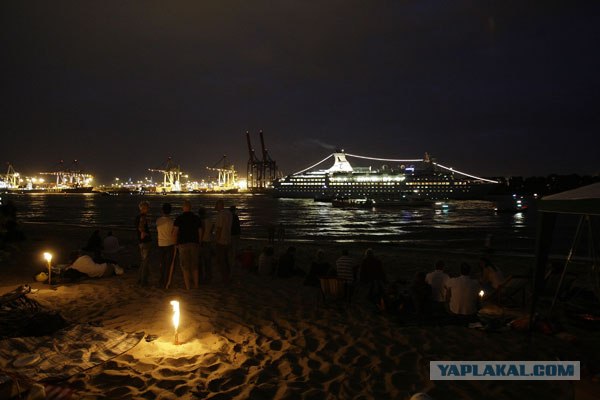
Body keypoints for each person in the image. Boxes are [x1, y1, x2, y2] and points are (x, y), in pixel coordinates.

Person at [173, 200, 201, 290]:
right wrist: (199, 242)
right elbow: (200, 231)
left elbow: (175, 232)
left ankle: (188, 286)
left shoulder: (179, 218)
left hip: (183, 244)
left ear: (183, 208)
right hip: (194, 243)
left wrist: (175, 243)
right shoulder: (196, 218)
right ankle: (196, 285)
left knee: (185, 266)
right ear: (190, 208)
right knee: (194, 266)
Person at [156, 203, 176, 288]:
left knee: (162, 263)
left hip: (161, 243)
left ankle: (161, 280)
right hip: (170, 243)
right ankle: (166, 281)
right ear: (170, 211)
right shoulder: (172, 222)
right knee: (168, 264)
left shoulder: (158, 221)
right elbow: (174, 233)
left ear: (162, 210)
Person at [214, 199, 232, 284]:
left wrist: (216, 239)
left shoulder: (220, 215)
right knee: (226, 259)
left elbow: (219, 228)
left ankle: (224, 278)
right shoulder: (229, 214)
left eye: (216, 205)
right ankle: (228, 276)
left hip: (221, 240)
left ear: (219, 206)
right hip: (228, 239)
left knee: (221, 260)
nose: (215, 207)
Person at [135, 201, 152, 287]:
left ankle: (139, 279)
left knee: (143, 261)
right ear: (144, 208)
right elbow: (141, 227)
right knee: (145, 261)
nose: (148, 209)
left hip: (140, 242)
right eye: (147, 208)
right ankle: (143, 281)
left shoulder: (137, 217)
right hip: (145, 242)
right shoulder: (143, 217)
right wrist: (144, 233)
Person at [198, 206, 214, 283]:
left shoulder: (200, 221)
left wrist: (199, 241)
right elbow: (212, 230)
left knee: (200, 261)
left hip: (202, 241)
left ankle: (201, 277)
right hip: (208, 241)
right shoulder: (210, 220)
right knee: (208, 261)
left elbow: (202, 231)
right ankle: (209, 277)